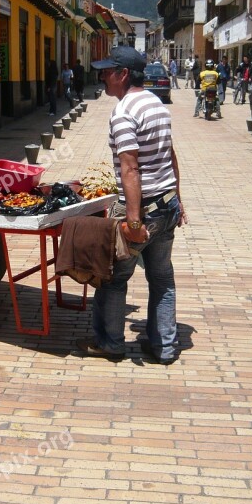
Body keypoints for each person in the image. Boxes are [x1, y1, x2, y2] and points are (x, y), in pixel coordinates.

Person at [76, 46, 188, 365]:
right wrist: (178, 200)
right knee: (162, 277)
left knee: (114, 277)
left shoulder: (124, 112)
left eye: (107, 71)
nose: (101, 76)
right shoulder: (156, 104)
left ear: (123, 75)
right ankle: (164, 345)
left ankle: (110, 343)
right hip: (166, 206)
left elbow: (130, 167)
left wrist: (134, 222)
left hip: (143, 210)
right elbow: (170, 155)